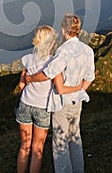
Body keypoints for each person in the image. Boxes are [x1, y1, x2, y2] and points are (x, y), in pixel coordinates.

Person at [26, 14, 95, 173]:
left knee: (60, 145)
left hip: (61, 103)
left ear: (64, 30)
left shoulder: (62, 51)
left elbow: (48, 73)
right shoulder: (88, 50)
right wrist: (80, 90)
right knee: (75, 139)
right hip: (77, 102)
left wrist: (31, 78)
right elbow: (90, 77)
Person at [16, 25, 84, 173]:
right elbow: (60, 87)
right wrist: (79, 87)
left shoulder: (27, 59)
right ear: (51, 42)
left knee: (24, 146)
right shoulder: (53, 62)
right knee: (37, 150)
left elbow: (22, 85)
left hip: (25, 104)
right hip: (42, 108)